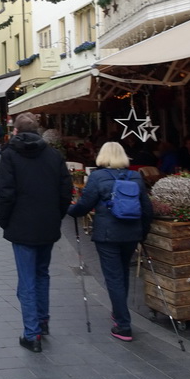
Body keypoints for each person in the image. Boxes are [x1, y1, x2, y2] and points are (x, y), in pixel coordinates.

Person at [0, 112, 72, 353]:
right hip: (47, 225)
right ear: (37, 131)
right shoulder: (53, 155)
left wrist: (4, 220)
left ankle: (32, 333)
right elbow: (65, 190)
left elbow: (5, 193)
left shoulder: (10, 156)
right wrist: (56, 215)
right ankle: (42, 321)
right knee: (42, 274)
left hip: (21, 225)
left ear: (15, 131)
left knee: (27, 280)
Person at [68, 141, 153, 342]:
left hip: (107, 235)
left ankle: (123, 325)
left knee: (113, 276)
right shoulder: (135, 176)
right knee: (123, 273)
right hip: (131, 233)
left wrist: (70, 210)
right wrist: (143, 233)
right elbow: (147, 208)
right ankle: (118, 310)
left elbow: (84, 204)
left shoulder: (98, 176)